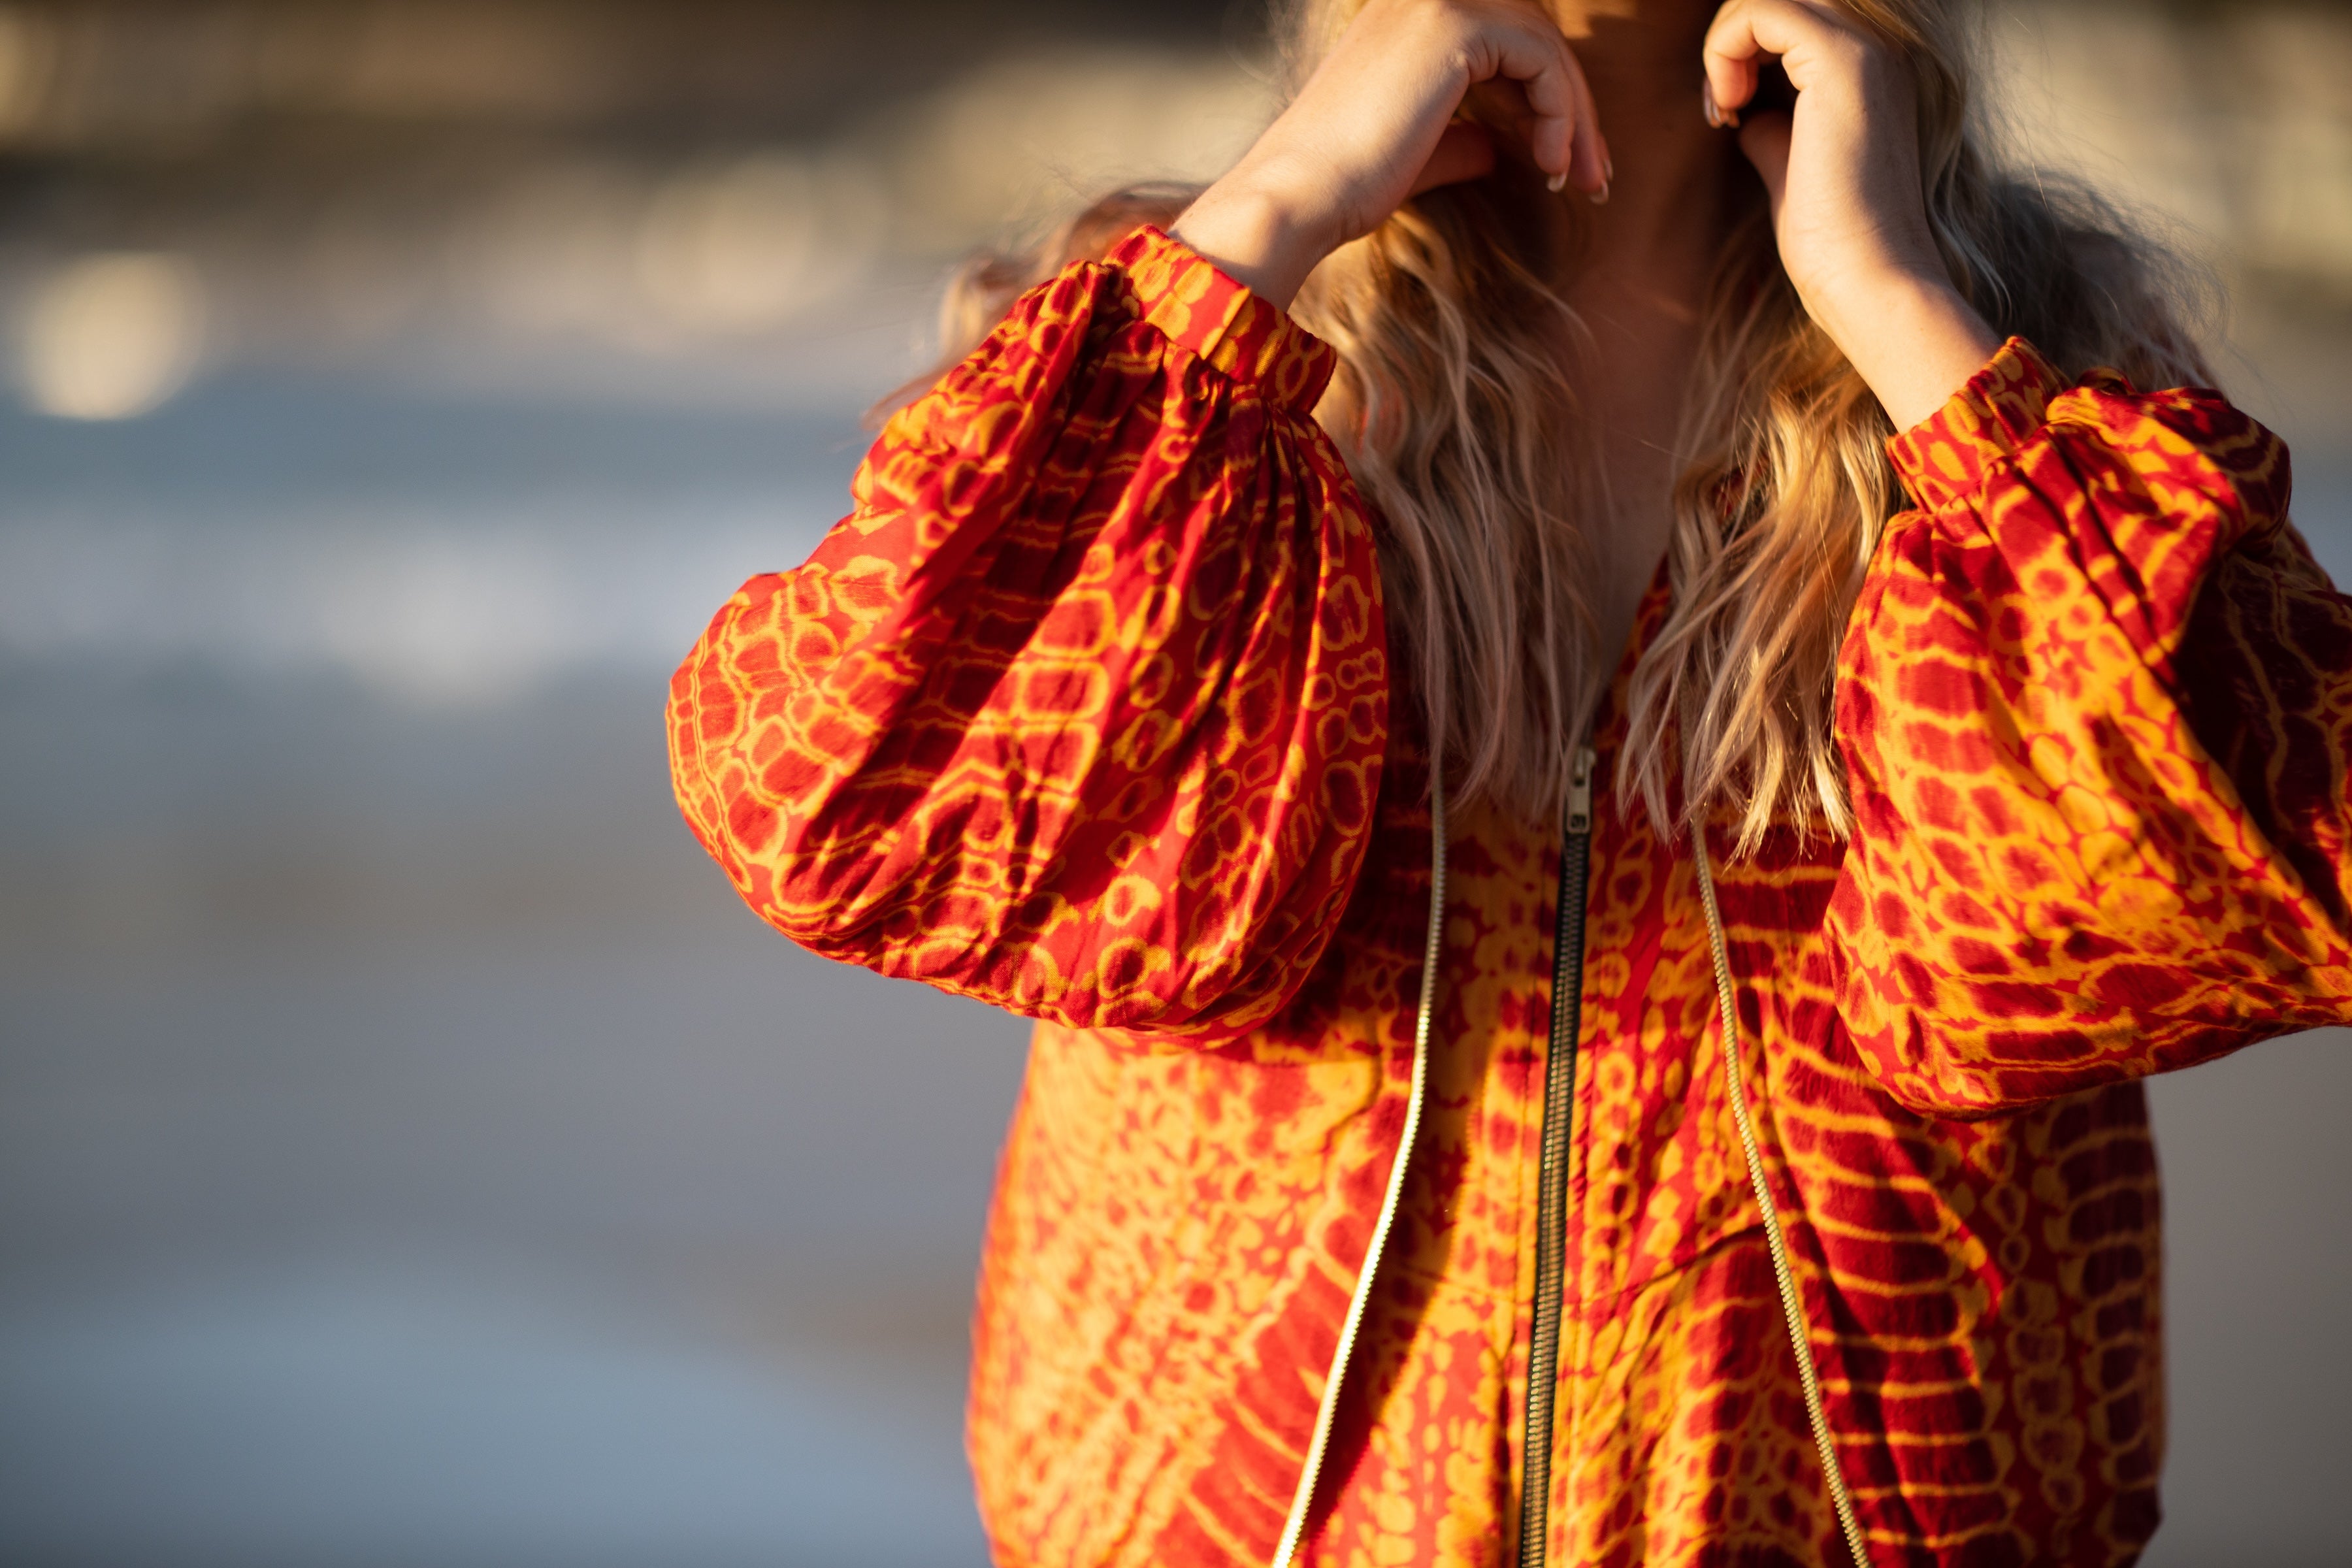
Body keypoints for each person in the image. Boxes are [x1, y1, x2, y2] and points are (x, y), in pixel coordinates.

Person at [667, 0, 2347, 1563]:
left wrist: (1911, 327)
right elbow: (830, 796)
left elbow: (2279, 869)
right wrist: (1285, 211)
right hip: (1238, 1515)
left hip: (1853, 1508)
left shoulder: (2046, 369)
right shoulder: (1168, 325)